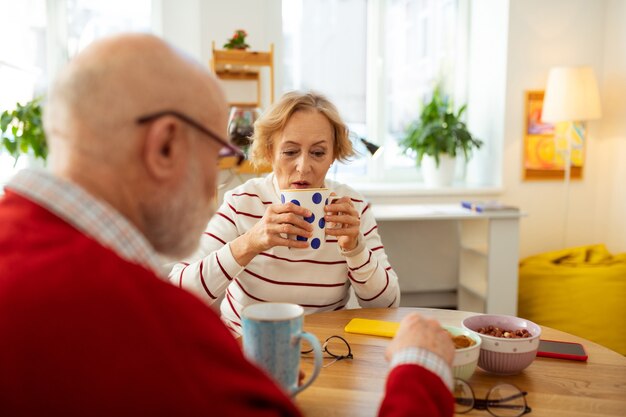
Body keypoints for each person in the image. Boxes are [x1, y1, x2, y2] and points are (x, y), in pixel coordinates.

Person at [0, 33, 454, 417]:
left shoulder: (50, 265)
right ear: (165, 148)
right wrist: (422, 370)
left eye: (319, 152)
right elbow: (184, 290)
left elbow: (384, 299)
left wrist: (355, 248)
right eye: (216, 154)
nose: (213, 186)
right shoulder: (158, 320)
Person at [171, 91, 400, 334]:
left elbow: (387, 306)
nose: (303, 167)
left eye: (318, 153)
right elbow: (176, 294)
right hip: (247, 348)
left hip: (325, 349)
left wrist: (356, 250)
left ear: (333, 156)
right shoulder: (243, 203)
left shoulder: (351, 207)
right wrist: (249, 243)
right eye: (290, 152)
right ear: (270, 153)